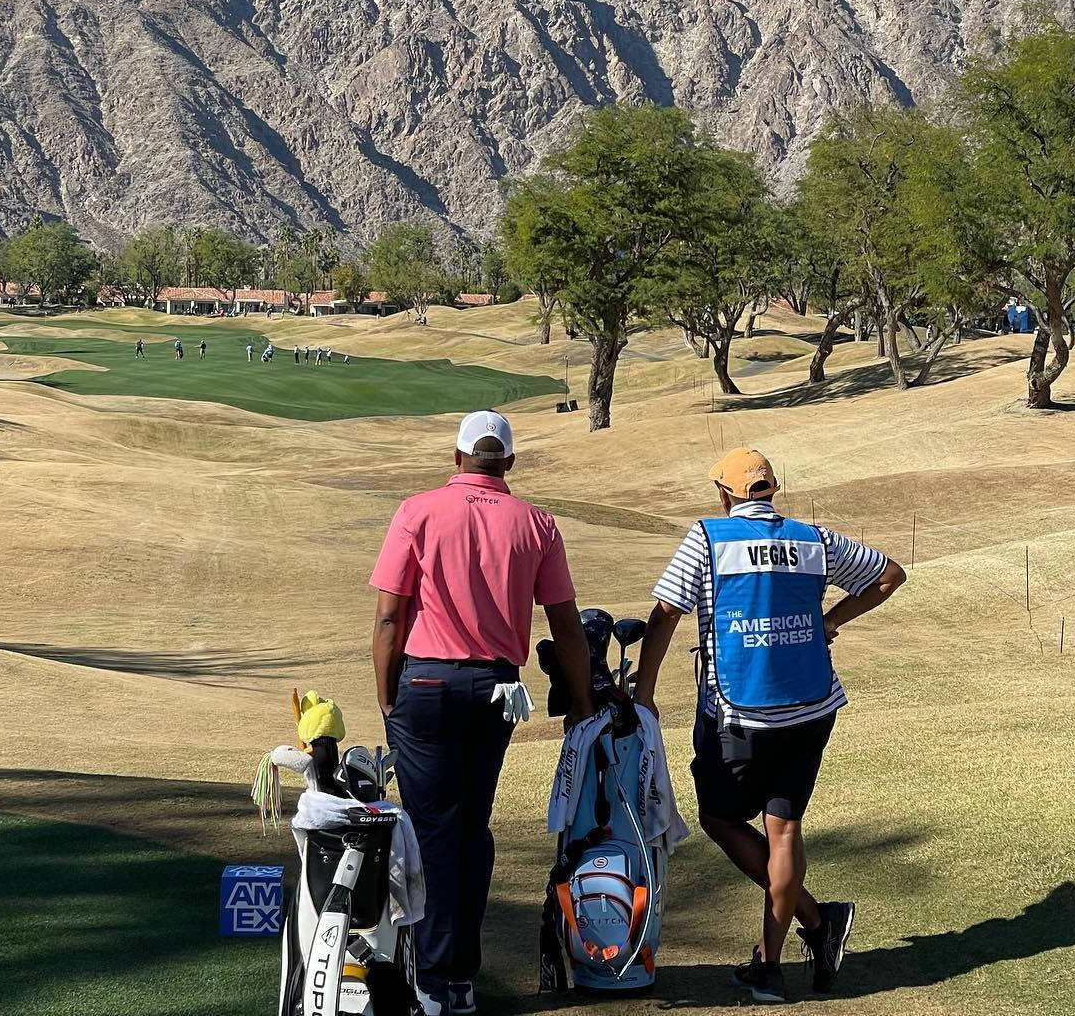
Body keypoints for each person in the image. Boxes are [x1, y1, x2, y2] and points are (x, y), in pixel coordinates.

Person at [632, 448, 907, 1004]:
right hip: (811, 706)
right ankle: (774, 965)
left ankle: (814, 922)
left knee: (719, 817)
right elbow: (889, 576)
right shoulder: (811, 539)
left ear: (725, 493)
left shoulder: (708, 538)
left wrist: (644, 690)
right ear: (772, 490)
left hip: (740, 712)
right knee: (784, 830)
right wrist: (828, 620)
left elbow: (665, 612)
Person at [371, 411, 594, 1016]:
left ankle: (436, 980)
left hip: (425, 681)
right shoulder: (537, 523)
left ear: (458, 457)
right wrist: (581, 701)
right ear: (510, 465)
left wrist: (388, 696)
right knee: (471, 829)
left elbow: (391, 617)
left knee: (433, 832)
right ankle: (459, 977)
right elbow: (566, 627)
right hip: (497, 687)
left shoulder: (416, 512)